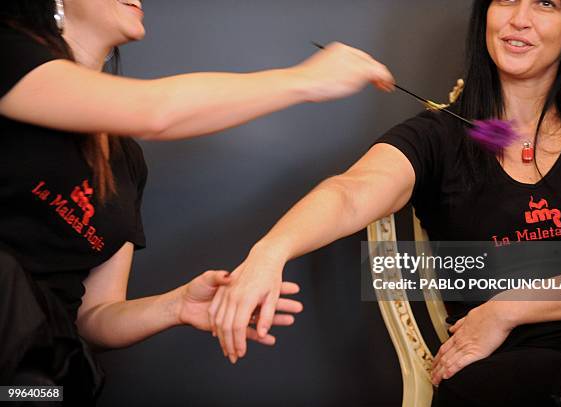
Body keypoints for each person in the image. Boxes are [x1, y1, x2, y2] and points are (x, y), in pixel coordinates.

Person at [210, 0, 561, 405]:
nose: (520, 18)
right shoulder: (436, 137)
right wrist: (271, 251)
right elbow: (350, 192)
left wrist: (511, 307)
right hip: (507, 371)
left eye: (546, 3)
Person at [0, 0, 396, 402]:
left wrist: (176, 307)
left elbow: (93, 317)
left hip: (41, 375)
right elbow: (156, 111)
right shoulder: (8, 52)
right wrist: (306, 80)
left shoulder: (125, 159)